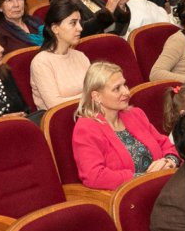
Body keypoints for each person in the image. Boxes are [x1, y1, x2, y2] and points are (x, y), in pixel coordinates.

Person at [71, 61, 179, 189]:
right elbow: (94, 176)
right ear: (97, 96)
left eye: (124, 85)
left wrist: (170, 161)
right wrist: (143, 178)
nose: (126, 92)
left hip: (163, 184)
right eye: (117, 88)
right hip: (131, 196)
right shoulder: (86, 128)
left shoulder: (135, 114)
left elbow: (166, 145)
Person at [29, 0, 92, 110]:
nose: (80, 28)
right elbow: (55, 106)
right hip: (60, 123)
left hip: (88, 116)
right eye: (73, 23)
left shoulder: (81, 56)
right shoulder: (41, 62)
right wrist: (89, 97)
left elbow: (96, 91)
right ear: (55, 28)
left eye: (79, 22)